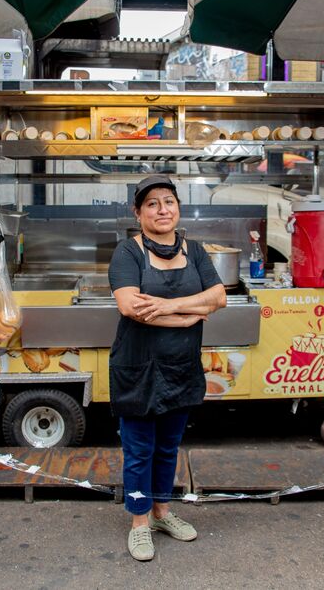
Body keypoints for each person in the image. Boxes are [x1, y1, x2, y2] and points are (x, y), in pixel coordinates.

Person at [108, 175, 227, 561]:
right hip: (138, 368)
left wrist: (168, 306)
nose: (162, 210)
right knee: (139, 450)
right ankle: (139, 522)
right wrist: (191, 314)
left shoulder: (196, 250)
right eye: (152, 204)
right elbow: (131, 307)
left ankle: (161, 512)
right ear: (138, 212)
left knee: (168, 448)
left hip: (181, 367)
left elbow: (219, 297)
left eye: (169, 201)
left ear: (178, 207)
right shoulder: (127, 252)